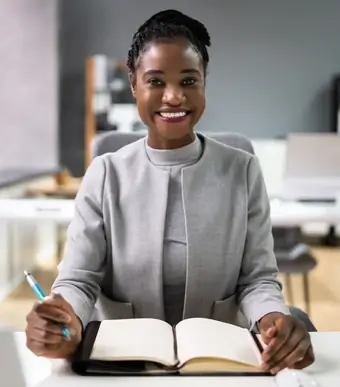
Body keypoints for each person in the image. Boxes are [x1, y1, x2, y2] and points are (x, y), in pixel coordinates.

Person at [25, 9, 314, 374]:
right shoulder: (105, 173)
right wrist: (62, 316)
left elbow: (257, 279)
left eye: (189, 81)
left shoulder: (243, 170)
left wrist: (274, 321)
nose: (174, 96)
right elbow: (79, 279)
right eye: (156, 81)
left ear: (205, 82)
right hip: (121, 364)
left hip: (221, 363)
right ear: (134, 85)